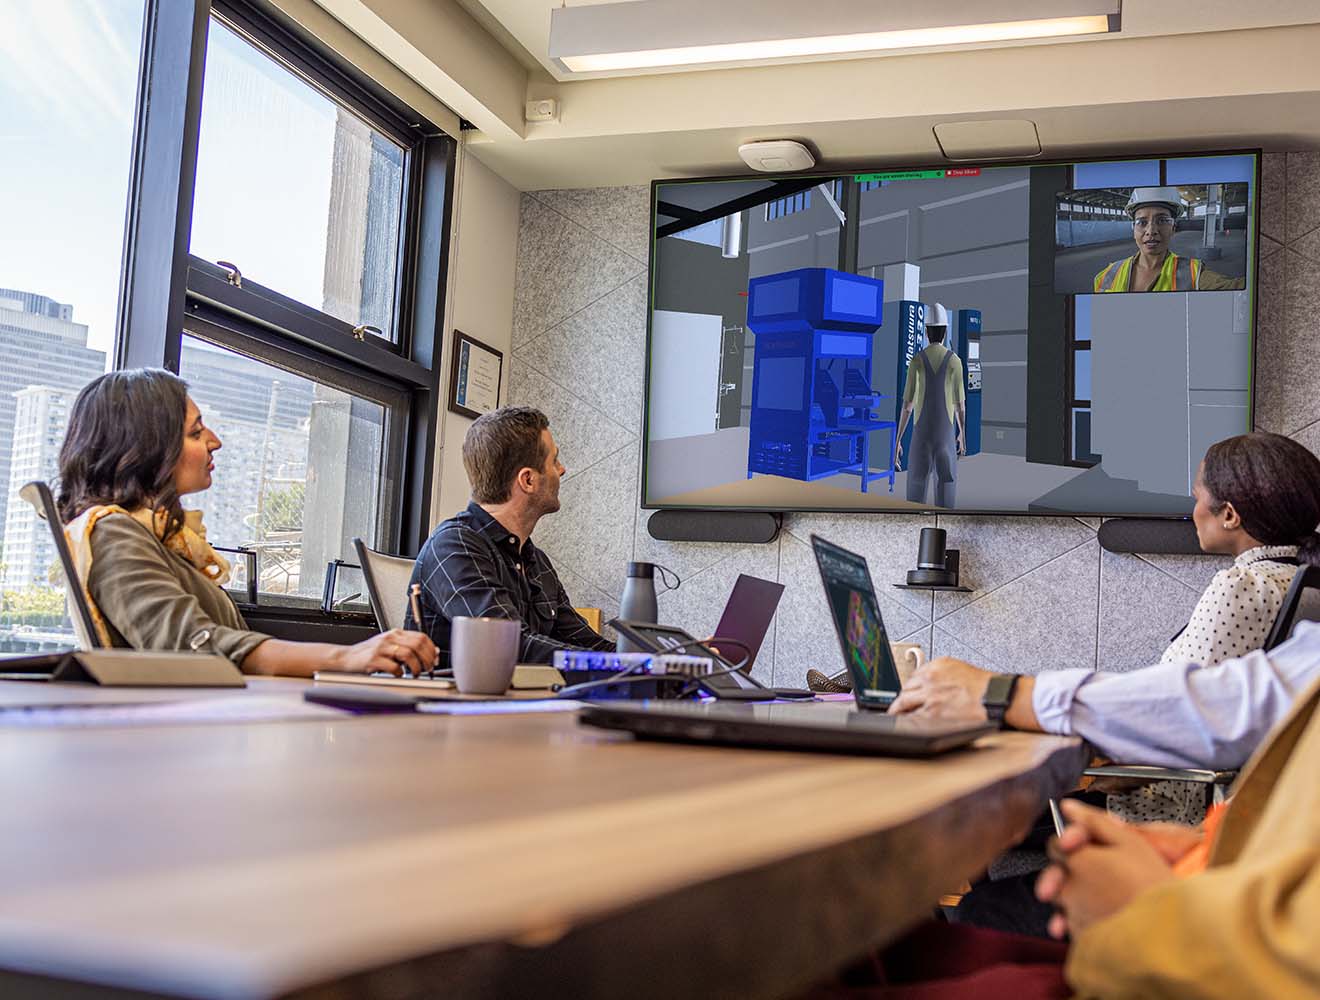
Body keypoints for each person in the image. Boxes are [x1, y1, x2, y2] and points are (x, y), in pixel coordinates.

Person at [812, 672, 1320, 998]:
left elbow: (1219, 701)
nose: (1191, 509)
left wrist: (1146, 907)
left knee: (852, 958)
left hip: (1185, 942)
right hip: (1209, 902)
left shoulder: (1244, 589)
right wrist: (1208, 850)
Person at [57, 369, 436, 677]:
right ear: (143, 447)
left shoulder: (154, 539)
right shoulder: (109, 531)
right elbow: (193, 645)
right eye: (195, 432)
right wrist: (346, 658)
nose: (215, 441)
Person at [1107, 431, 1320, 823]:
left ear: (1229, 514)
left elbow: (1176, 704)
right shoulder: (1301, 583)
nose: (1193, 512)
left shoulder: (1242, 589)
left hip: (1164, 815)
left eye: (1196, 498)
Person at [406, 405, 613, 666]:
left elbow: (586, 643)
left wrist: (653, 663)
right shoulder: (454, 547)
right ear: (528, 480)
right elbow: (509, 648)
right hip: (458, 704)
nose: (562, 470)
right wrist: (614, 666)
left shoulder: (536, 560)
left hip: (526, 703)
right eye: (554, 461)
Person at [1092, 186, 1245, 293]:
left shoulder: (1194, 273)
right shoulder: (1106, 276)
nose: (1151, 231)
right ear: (1134, 230)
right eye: (1142, 222)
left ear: (1173, 228)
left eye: (1162, 220)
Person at [895, 303, 966, 508]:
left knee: (915, 498)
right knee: (947, 498)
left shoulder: (916, 361)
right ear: (945, 331)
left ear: (926, 332)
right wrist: (962, 434)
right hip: (946, 439)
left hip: (920, 441)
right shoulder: (955, 361)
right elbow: (960, 405)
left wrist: (898, 440)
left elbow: (907, 406)